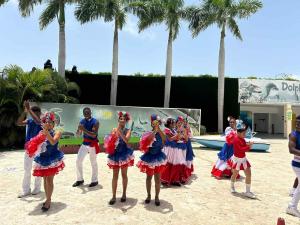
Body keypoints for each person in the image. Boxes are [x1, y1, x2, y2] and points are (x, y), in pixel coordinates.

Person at [28, 112, 65, 212]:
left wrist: (46, 133)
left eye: (49, 122)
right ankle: (47, 198)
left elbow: (53, 142)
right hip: (43, 159)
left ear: (54, 123)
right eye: (46, 122)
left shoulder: (58, 131)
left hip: (52, 159)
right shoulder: (41, 132)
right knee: (45, 180)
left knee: (49, 180)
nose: (47, 123)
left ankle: (48, 200)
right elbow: (36, 144)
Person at [105, 112, 134, 205]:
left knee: (124, 175)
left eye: (124, 119)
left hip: (124, 154)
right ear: (118, 120)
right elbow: (110, 141)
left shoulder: (128, 130)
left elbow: (126, 140)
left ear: (126, 121)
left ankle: (124, 194)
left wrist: (120, 132)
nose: (122, 120)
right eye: (121, 118)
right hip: (115, 154)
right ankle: (113, 196)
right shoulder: (114, 129)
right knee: (115, 176)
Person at [137, 114, 167, 206]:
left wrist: (159, 130)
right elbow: (148, 141)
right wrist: (154, 131)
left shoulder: (161, 132)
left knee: (157, 178)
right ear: (151, 123)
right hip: (149, 157)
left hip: (158, 157)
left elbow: (164, 140)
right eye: (154, 122)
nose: (155, 124)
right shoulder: (148, 133)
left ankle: (157, 197)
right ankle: (149, 195)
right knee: (149, 177)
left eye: (157, 122)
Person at [16, 100, 42, 198]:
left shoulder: (42, 121)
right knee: (27, 169)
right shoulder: (30, 121)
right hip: (29, 148)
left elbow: (37, 121)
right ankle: (26, 190)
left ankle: (37, 188)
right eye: (32, 112)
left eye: (35, 113)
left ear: (39, 113)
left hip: (38, 148)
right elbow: (18, 123)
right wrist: (25, 111)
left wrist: (29, 109)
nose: (33, 114)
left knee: (37, 168)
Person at [72, 107, 100, 188]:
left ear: (91, 112)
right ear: (83, 113)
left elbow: (94, 134)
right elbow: (79, 134)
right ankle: (80, 179)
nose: (86, 113)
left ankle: (95, 180)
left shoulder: (96, 122)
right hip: (84, 144)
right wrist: (78, 131)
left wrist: (83, 129)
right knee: (78, 161)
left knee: (93, 162)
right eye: (85, 112)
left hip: (92, 144)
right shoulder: (82, 121)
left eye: (88, 112)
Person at [228, 120, 255, 199]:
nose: (245, 134)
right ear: (238, 133)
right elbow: (241, 149)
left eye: (245, 133)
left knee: (249, 174)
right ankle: (232, 186)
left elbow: (243, 145)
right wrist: (249, 146)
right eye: (244, 133)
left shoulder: (241, 139)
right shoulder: (236, 139)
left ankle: (247, 191)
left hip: (243, 159)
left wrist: (248, 144)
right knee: (235, 174)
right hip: (237, 160)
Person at [286, 115, 300, 217]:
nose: (298, 125)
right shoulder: (293, 135)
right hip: (297, 165)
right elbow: (291, 150)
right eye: (297, 123)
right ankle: (292, 207)